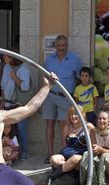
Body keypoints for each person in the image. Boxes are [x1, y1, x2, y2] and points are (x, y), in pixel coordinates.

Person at [43, 35, 82, 163]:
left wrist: (73, 96)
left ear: (67, 46)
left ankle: (65, 153)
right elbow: (44, 76)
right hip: (50, 95)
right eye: (58, 46)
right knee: (49, 124)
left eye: (63, 46)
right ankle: (49, 153)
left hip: (65, 97)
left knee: (64, 126)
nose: (61, 48)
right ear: (55, 46)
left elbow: (79, 78)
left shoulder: (74, 59)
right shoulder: (49, 60)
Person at [45, 105, 94, 185]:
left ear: (82, 115)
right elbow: (65, 145)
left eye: (76, 114)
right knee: (53, 159)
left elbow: (94, 144)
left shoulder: (89, 126)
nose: (74, 116)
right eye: (71, 114)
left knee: (74, 159)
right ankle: (77, 178)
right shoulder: (67, 127)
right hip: (67, 154)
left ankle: (51, 177)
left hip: (81, 156)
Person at [0, 48, 33, 160]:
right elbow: (3, 85)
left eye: (5, 56)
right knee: (9, 129)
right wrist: (2, 102)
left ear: (11, 57)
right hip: (8, 103)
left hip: (20, 104)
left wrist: (15, 78)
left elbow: (25, 87)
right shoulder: (6, 67)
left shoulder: (23, 69)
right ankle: (11, 153)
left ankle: (24, 152)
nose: (3, 57)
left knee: (21, 127)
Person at [80, 109, 109, 185]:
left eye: (104, 119)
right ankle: (92, 182)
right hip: (99, 158)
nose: (101, 121)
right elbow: (94, 150)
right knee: (87, 154)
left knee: (106, 156)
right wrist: (97, 150)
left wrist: (100, 149)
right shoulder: (93, 132)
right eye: (99, 119)